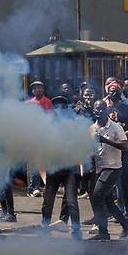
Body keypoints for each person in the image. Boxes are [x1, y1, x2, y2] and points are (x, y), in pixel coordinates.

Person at [88, 100, 128, 241]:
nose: (98, 111)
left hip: (113, 167)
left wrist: (105, 140)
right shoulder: (91, 128)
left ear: (106, 110)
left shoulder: (115, 127)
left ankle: (103, 232)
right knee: (107, 202)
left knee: (96, 196)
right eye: (96, 109)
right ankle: (126, 225)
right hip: (100, 168)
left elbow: (125, 146)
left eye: (101, 109)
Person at [42, 96, 81, 238]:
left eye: (62, 106)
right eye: (57, 106)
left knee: (72, 201)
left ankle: (77, 230)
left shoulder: (73, 123)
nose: (60, 109)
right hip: (53, 167)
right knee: (48, 201)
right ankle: (45, 226)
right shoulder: (48, 124)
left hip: (68, 167)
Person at [105, 79, 128, 225]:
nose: (113, 94)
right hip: (109, 152)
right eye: (111, 91)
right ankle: (116, 213)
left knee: (125, 185)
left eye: (116, 91)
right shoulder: (105, 109)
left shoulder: (127, 108)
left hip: (125, 152)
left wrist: (120, 138)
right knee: (113, 185)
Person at [25, 80, 52, 196]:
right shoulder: (28, 103)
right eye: (35, 88)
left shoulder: (48, 102)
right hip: (32, 136)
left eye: (40, 88)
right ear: (32, 90)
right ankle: (33, 188)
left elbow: (51, 119)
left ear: (43, 89)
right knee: (32, 163)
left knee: (45, 161)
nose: (38, 90)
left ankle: (47, 186)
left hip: (45, 136)